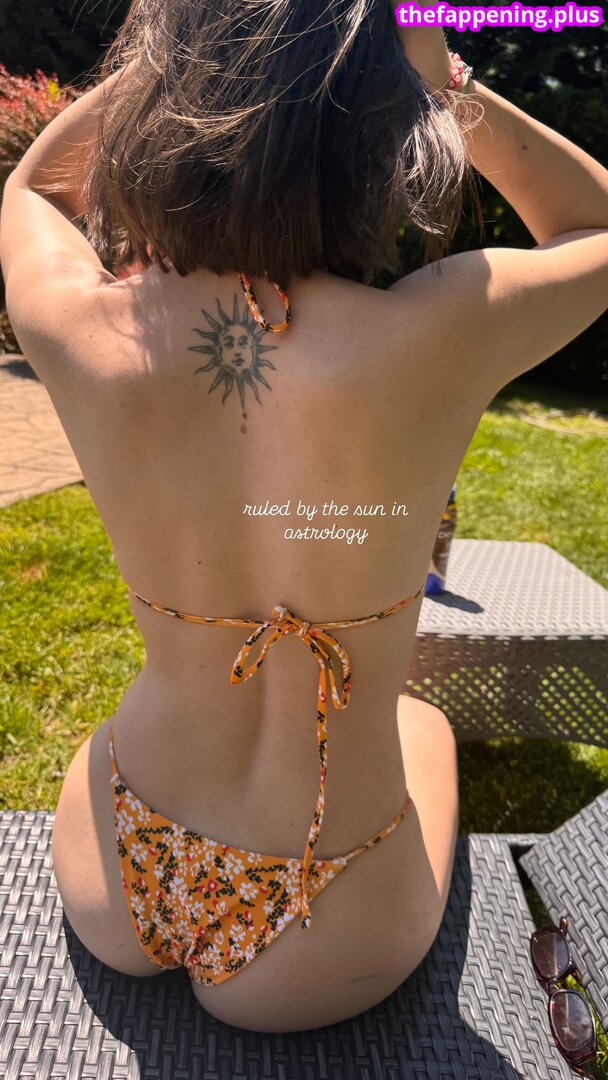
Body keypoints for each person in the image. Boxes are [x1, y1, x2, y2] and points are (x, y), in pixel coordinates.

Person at [1, 0, 607, 1036]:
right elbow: (595, 226)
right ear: (388, 129)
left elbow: (33, 191)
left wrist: (166, 65)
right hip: (330, 915)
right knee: (420, 721)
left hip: (116, 858)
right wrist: (449, 81)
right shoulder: (438, 329)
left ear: (162, 107)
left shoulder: (83, 323)